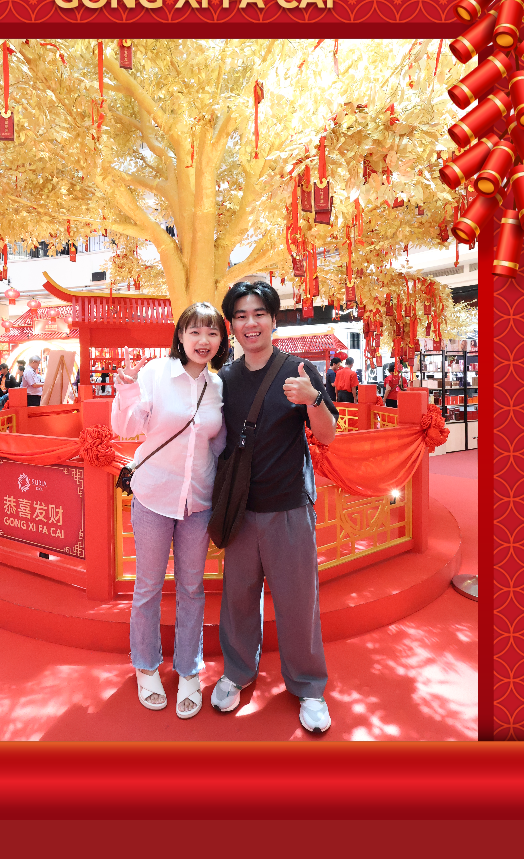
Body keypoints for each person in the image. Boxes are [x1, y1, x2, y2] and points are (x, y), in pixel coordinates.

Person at [211, 280, 338, 734]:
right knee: (238, 598)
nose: (250, 323)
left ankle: (308, 685)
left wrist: (314, 399)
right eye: (241, 316)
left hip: (288, 507)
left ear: (273, 320)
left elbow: (327, 434)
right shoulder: (223, 379)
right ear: (232, 325)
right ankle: (238, 670)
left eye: (258, 314)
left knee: (298, 600)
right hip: (241, 509)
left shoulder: (299, 370)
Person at [111, 303, 228, 719]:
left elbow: (218, 444)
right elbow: (127, 428)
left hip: (198, 501)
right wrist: (126, 388)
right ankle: (145, 665)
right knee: (148, 586)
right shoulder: (155, 373)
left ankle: (188, 669)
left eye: (212, 333)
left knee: (192, 589)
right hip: (154, 496)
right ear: (180, 336)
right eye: (194, 332)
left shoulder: (218, 384)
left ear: (221, 340)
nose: (203, 341)